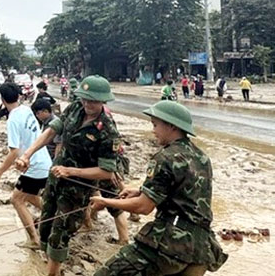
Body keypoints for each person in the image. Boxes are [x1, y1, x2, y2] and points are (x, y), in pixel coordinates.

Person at [91, 101, 227, 275]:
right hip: (201, 249)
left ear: (171, 126)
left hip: (170, 245)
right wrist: (140, 191)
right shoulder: (202, 157)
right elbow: (185, 190)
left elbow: (143, 207)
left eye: (155, 125)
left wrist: (105, 201)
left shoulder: (165, 157)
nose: (153, 131)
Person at [17, 75, 120, 276]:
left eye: (93, 100)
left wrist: (70, 171)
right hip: (56, 179)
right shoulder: (74, 108)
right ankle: (48, 260)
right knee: (45, 225)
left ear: (103, 101)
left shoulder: (107, 130)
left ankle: (52, 273)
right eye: (84, 98)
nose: (87, 104)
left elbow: (106, 172)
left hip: (77, 189)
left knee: (60, 232)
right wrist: (28, 154)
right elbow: (51, 131)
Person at [0, 83, 52, 249]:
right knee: (30, 196)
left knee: (16, 200)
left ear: (2, 100)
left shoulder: (12, 120)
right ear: (19, 96)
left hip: (34, 166)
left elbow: (14, 152)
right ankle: (53, 216)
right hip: (44, 162)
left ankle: (34, 239)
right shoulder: (26, 110)